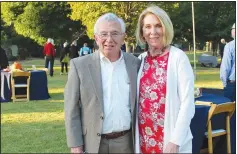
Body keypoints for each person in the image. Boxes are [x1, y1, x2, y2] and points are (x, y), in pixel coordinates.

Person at [64, 13, 140, 153]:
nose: (109, 39)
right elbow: (71, 108)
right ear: (96, 38)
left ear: (123, 37)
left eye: (115, 33)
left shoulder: (135, 64)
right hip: (93, 143)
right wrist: (75, 144)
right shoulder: (79, 65)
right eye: (103, 34)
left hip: (126, 142)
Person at [135, 6, 195, 153]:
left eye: (158, 26)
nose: (153, 32)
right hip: (144, 140)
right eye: (147, 27)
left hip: (170, 141)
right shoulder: (141, 59)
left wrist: (175, 141)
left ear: (165, 28)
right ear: (142, 32)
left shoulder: (178, 58)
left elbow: (188, 104)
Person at [220, 23, 235, 102]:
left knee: (230, 113)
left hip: (233, 85)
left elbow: (226, 67)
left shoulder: (230, 46)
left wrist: (225, 83)